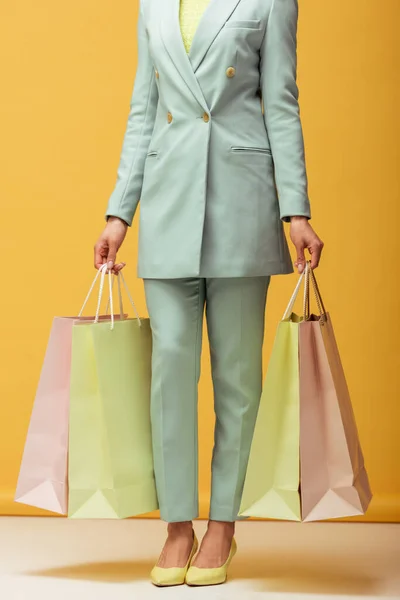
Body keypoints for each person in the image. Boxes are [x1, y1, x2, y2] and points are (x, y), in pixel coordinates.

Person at [94, 0, 324, 587]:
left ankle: (222, 523)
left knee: (238, 378)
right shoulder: (152, 7)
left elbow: (281, 103)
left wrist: (296, 209)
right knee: (170, 368)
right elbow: (143, 111)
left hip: (241, 201)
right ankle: (177, 525)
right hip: (169, 197)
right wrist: (119, 213)